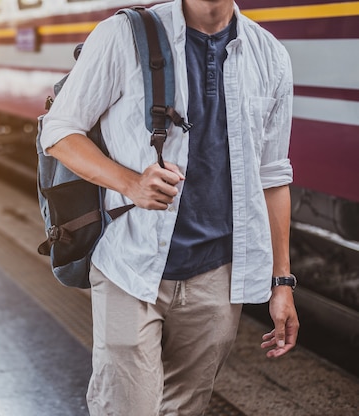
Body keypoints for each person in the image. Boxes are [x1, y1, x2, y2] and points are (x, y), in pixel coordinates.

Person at [40, 0, 300, 414]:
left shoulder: (269, 55)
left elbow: (272, 176)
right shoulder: (122, 35)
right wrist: (130, 183)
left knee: (186, 408)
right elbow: (58, 131)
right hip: (130, 261)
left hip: (217, 276)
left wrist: (281, 283)